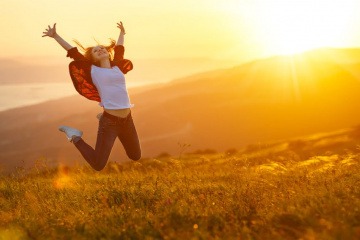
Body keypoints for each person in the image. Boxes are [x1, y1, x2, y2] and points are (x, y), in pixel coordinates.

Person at [42, 21, 141, 171]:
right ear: (93, 59)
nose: (100, 50)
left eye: (102, 48)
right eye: (96, 51)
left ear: (108, 52)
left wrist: (122, 33)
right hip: (110, 123)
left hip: (128, 119)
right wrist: (55, 36)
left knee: (135, 156)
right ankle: (74, 136)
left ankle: (102, 118)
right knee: (98, 164)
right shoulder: (93, 70)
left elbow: (119, 48)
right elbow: (73, 51)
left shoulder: (118, 66)